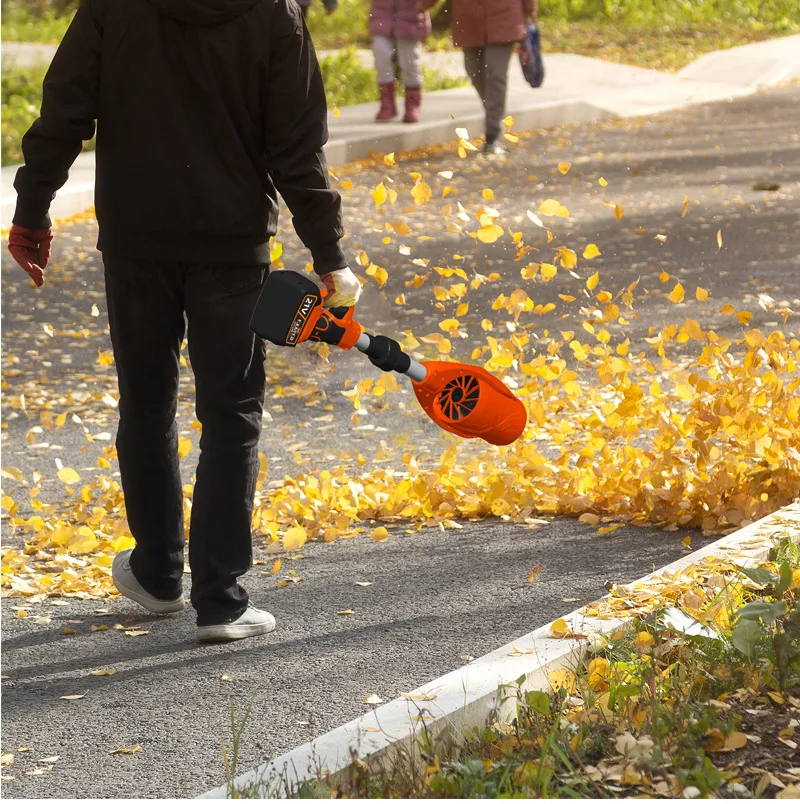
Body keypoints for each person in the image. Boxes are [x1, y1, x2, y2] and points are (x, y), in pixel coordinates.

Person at [7, 0, 362, 643]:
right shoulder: (275, 13)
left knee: (145, 402)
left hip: (136, 236)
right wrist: (328, 250)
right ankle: (221, 600)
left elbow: (66, 104)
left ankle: (158, 573)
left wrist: (33, 205)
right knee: (231, 413)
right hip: (231, 243)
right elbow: (296, 146)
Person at [449, 0, 538, 154]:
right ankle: (494, 114)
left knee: (495, 75)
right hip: (469, 20)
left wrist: (530, 8)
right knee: (474, 72)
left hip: (504, 18)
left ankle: (492, 136)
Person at [370, 0, 437, 124]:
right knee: (381, 55)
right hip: (382, 14)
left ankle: (412, 105)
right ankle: (387, 103)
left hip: (411, 15)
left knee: (410, 61)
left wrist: (425, 3)